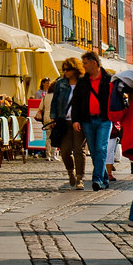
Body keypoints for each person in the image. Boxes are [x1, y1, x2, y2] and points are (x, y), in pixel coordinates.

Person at [71, 51, 113, 191]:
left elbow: (115, 99)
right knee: (95, 152)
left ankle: (97, 180)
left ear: (94, 63)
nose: (83, 66)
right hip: (87, 120)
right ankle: (105, 178)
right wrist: (76, 120)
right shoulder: (83, 82)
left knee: (101, 149)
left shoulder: (109, 79)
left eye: (85, 63)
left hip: (104, 120)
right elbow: (75, 101)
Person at [49, 57, 86, 190]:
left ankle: (80, 178)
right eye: (64, 69)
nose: (65, 72)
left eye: (68, 69)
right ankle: (71, 172)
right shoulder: (61, 83)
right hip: (63, 121)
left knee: (79, 150)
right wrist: (53, 118)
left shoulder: (84, 83)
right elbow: (54, 102)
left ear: (75, 69)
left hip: (79, 122)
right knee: (65, 151)